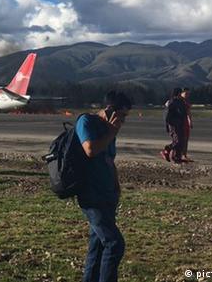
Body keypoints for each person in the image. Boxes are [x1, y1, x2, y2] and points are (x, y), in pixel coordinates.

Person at [76, 90, 133, 282]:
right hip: (91, 194)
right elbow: (90, 150)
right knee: (114, 244)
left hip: (107, 193)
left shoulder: (108, 129)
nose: (123, 122)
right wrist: (112, 131)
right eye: (122, 116)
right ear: (110, 110)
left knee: (98, 244)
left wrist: (116, 186)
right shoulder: (87, 122)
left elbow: (109, 159)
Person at [161, 88, 187, 163]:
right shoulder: (171, 102)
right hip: (173, 125)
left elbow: (183, 113)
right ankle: (166, 150)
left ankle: (176, 157)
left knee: (181, 141)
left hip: (180, 124)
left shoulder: (181, 102)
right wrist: (169, 125)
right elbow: (166, 116)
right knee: (177, 141)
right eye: (180, 93)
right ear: (177, 93)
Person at [180, 88, 193, 162]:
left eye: (188, 94)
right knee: (182, 139)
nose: (187, 95)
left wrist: (190, 121)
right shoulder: (179, 101)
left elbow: (189, 112)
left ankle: (184, 155)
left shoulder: (186, 101)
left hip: (185, 122)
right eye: (186, 93)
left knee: (186, 139)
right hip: (180, 122)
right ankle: (180, 154)